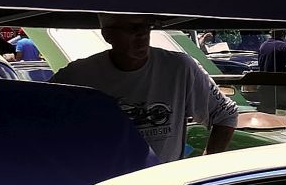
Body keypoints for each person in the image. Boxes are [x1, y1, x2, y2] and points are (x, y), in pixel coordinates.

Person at [55, 17, 243, 161]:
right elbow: (43, 117)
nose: (142, 35)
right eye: (132, 29)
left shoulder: (179, 68)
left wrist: (204, 166)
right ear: (107, 35)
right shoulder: (77, 76)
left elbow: (225, 114)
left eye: (146, 27)